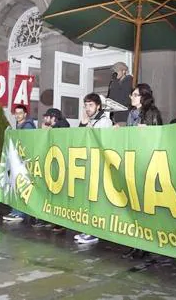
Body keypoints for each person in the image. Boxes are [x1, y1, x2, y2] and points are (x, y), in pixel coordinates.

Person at [123, 84, 162, 259]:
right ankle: (135, 243)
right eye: (132, 94)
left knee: (145, 206)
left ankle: (146, 243)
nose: (132, 97)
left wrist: (148, 133)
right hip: (133, 162)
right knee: (134, 206)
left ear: (144, 97)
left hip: (146, 163)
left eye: (136, 94)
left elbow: (160, 137)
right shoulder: (131, 114)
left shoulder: (152, 112)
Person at [75, 93, 113, 244]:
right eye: (85, 105)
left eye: (91, 105)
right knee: (88, 200)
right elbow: (79, 140)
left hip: (99, 166)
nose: (87, 108)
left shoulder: (105, 122)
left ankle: (95, 232)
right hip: (88, 164)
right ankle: (88, 229)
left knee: (96, 201)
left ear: (98, 106)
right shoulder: (88, 120)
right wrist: (83, 124)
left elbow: (101, 142)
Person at [3, 105, 36, 222]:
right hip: (18, 162)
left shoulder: (27, 126)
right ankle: (16, 211)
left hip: (22, 163)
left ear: (25, 114)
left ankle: (19, 213)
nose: (17, 115)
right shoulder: (19, 126)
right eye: (16, 113)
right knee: (16, 186)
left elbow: (26, 144)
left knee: (20, 186)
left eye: (20, 113)